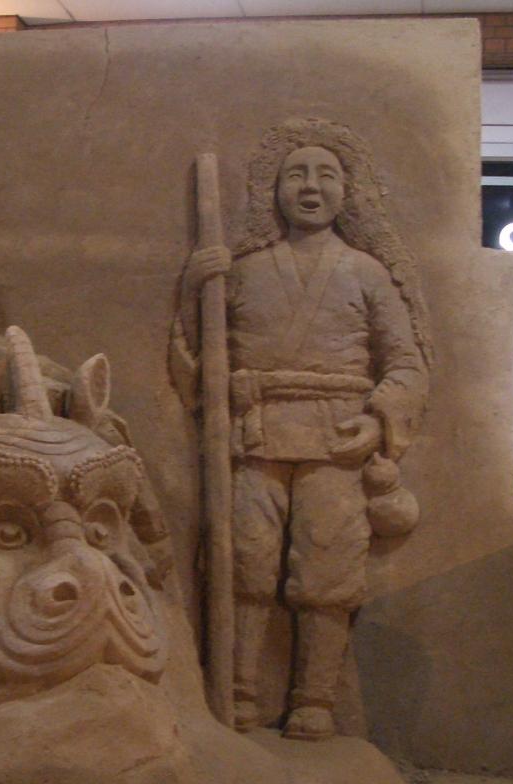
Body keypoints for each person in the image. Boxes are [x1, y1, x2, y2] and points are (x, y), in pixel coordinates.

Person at [171, 118, 430, 740]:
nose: (311, 187)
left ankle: (314, 698)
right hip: (255, 434)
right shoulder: (242, 270)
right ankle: (238, 692)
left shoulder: (366, 273)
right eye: (296, 175)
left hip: (338, 439)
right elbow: (197, 361)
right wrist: (193, 289)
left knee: (327, 570)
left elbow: (406, 363)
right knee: (245, 562)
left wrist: (376, 420)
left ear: (348, 190)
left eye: (326, 175)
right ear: (275, 189)